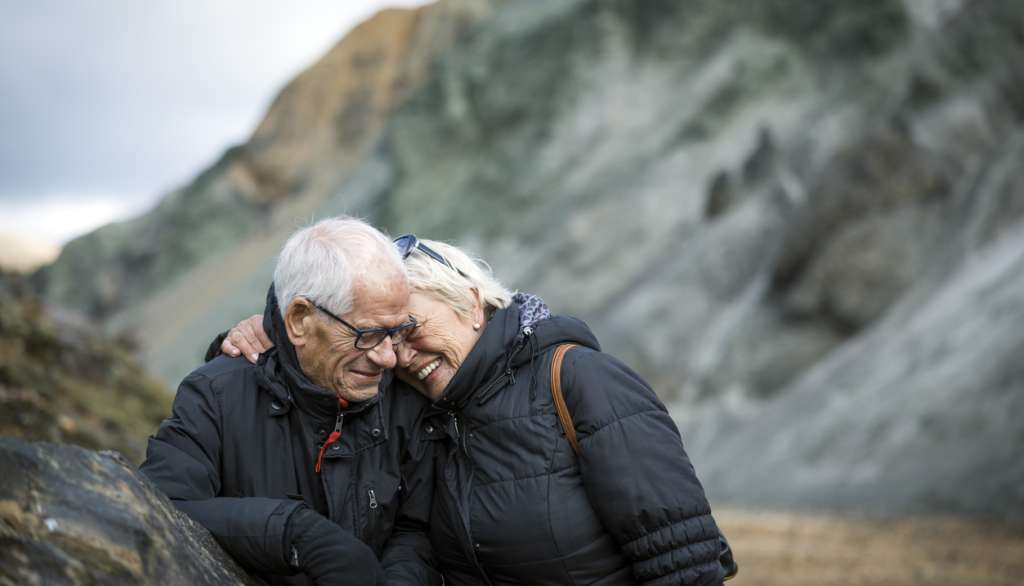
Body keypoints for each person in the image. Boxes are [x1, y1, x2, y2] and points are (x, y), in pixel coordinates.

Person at [222, 234, 728, 585]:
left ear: (468, 300)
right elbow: (313, 366)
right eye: (383, 337)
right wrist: (253, 335)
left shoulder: (579, 380)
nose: (397, 356)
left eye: (408, 330)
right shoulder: (428, 412)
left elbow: (684, 562)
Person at [141, 218, 440, 586]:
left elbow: (415, 527)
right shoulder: (215, 396)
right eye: (368, 335)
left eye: (395, 332)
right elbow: (158, 505)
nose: (388, 357)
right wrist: (296, 533)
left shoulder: (402, 394)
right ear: (299, 319)